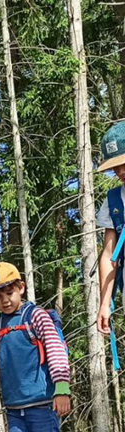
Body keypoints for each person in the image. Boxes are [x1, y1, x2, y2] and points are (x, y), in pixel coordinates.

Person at [0, 262, 71, 432]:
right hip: (13, 407)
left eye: (9, 293)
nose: (5, 300)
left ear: (21, 288)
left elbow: (56, 350)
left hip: (43, 404)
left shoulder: (36, 316)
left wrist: (62, 388)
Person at [96, 121, 125, 335]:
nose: (120, 171)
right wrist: (104, 304)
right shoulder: (114, 201)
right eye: (115, 165)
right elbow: (108, 255)